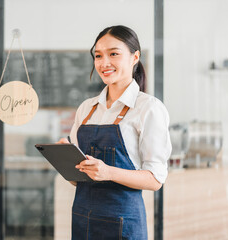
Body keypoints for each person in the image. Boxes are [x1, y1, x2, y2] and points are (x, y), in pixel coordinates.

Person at [57, 25, 172, 240]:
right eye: (98, 56)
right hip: (83, 219)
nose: (104, 63)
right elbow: (77, 180)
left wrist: (108, 172)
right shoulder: (86, 108)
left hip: (124, 224)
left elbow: (155, 179)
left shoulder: (149, 108)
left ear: (134, 57)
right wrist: (66, 161)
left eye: (114, 54)